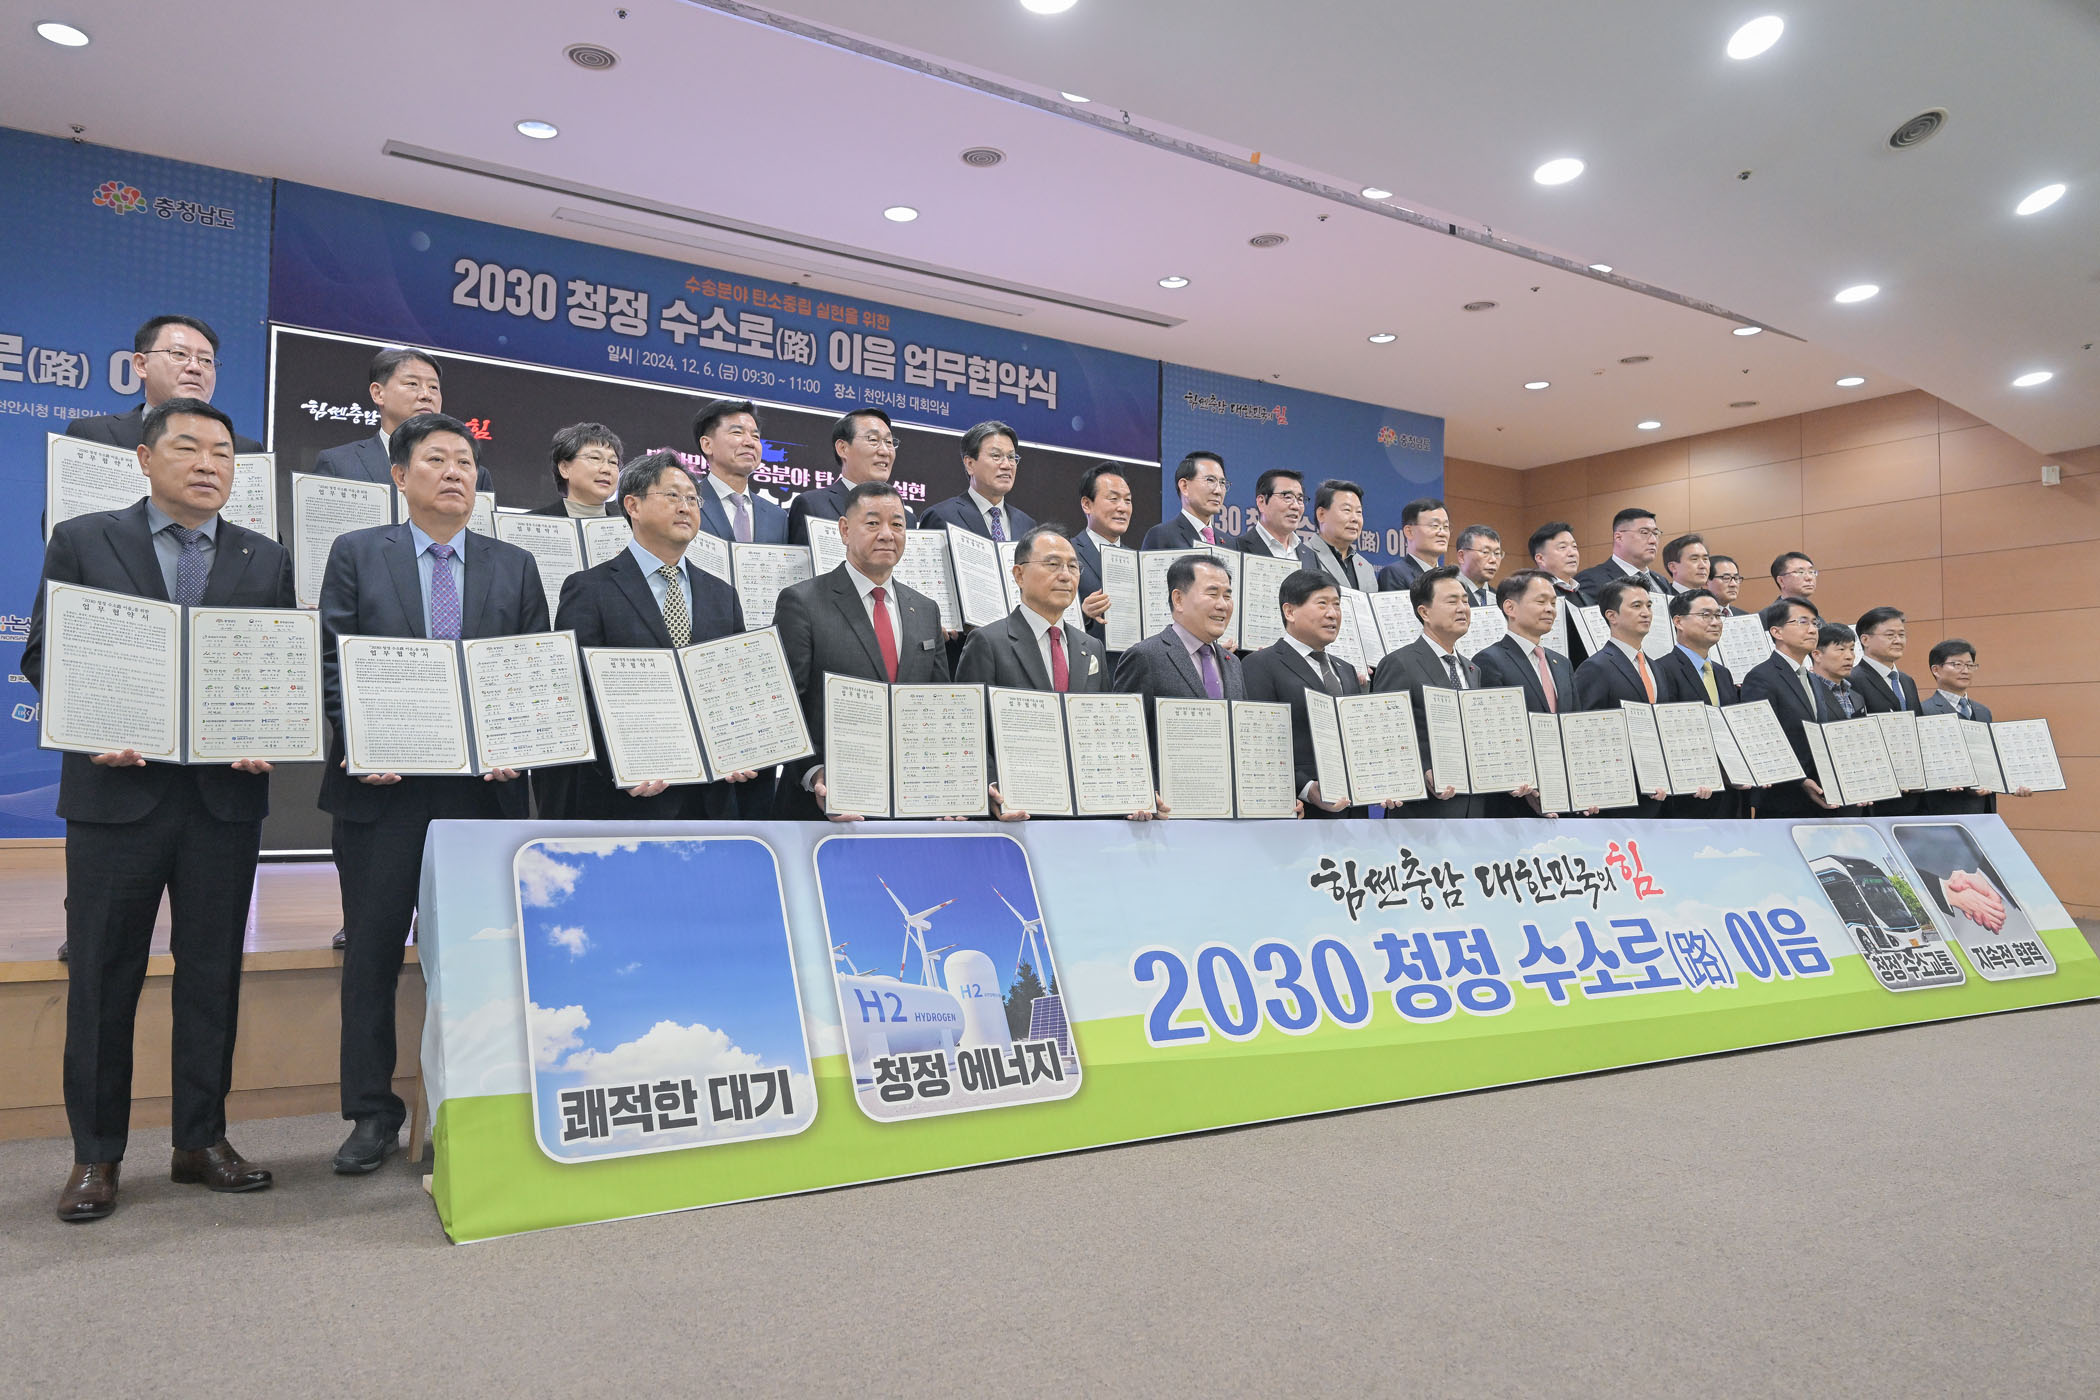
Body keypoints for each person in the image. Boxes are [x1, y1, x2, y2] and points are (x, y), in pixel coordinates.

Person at [26, 398, 292, 1222]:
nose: (209, 464)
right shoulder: (84, 538)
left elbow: (277, 666)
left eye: (223, 452)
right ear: (144, 459)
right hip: (116, 794)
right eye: (188, 448)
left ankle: (200, 1141)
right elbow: (44, 652)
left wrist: (269, 726)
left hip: (223, 799)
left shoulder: (264, 556)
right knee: (104, 977)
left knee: (212, 975)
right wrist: (91, 721)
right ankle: (96, 1155)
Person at [318, 412, 549, 1174]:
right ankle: (371, 1114)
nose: (455, 473)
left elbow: (531, 670)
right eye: (437, 460)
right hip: (382, 795)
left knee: (483, 960)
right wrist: (362, 741)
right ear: (399, 475)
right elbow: (332, 660)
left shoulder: (514, 565)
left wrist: (517, 742)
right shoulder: (357, 553)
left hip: (484, 799)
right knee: (373, 957)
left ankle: (477, 1108)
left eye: (465, 463)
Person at [552, 450, 756, 819]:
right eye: (673, 495)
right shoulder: (590, 588)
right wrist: (620, 767)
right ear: (633, 505)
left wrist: (742, 747)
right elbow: (574, 692)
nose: (685, 507)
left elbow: (736, 685)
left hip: (711, 800)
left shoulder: (722, 594)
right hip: (625, 798)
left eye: (692, 499)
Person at [774, 482, 949, 820]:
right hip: (822, 807)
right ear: (844, 530)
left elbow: (938, 703)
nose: (887, 534)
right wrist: (815, 772)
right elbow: (786, 706)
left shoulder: (926, 610)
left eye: (897, 524)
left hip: (910, 806)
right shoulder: (802, 602)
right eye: (872, 523)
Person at [956, 528, 1114, 819]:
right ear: (1019, 575)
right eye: (1052, 564)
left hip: (1084, 808)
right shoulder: (988, 642)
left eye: (1073, 567)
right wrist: (990, 787)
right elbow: (968, 731)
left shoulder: (1091, 647)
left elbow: (1102, 731)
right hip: (1017, 806)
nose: (1065, 576)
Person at [1370, 566, 1534, 820]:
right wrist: (1424, 771)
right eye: (1452, 601)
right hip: (1423, 812)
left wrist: (1509, 771)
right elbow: (1384, 737)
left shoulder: (1472, 669)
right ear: (1424, 612)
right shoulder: (1399, 663)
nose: (1462, 608)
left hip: (1474, 810)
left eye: (1465, 601)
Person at [1241, 569, 1364, 819]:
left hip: (1354, 813)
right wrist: (1306, 789)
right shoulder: (1260, 664)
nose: (1333, 614)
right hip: (1300, 812)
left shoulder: (1347, 670)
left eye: (1337, 605)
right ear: (1290, 611)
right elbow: (1261, 745)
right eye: (1322, 604)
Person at [1113, 555, 1245, 765]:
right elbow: (1124, 739)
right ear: (1178, 599)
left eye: (1227, 596)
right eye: (1212, 594)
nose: (1222, 605)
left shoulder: (1233, 663)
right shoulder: (1145, 657)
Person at [1471, 569, 1579, 818]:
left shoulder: (1562, 664)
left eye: (1553, 603)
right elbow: (1493, 733)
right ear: (1510, 607)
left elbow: (1574, 725)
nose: (1550, 609)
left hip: (1562, 793)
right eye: (1541, 601)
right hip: (1514, 799)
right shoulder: (1489, 660)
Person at [67, 316, 263, 453]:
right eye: (179, 354)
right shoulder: (93, 434)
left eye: (206, 360)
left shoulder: (243, 451)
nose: (195, 367)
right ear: (141, 365)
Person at [312, 347, 493, 490]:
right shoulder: (338, 463)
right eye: (412, 384)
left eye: (433, 387)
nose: (426, 395)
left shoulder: (474, 475)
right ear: (378, 393)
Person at [1571, 579, 1678, 815]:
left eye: (1649, 606)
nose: (1646, 613)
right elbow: (1585, 733)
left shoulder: (1656, 668)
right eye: (1636, 606)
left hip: (1660, 791)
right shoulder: (1595, 667)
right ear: (1612, 616)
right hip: (1618, 797)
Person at [1737, 598, 1840, 818]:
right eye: (1803, 622)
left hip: (1822, 794)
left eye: (1815, 623)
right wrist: (1800, 780)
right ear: (1777, 632)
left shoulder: (1813, 679)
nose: (1812, 630)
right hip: (1783, 799)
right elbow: (1762, 738)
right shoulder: (1761, 676)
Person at [1653, 588, 1745, 819]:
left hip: (1730, 791)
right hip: (1688, 795)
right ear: (1678, 622)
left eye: (1718, 615)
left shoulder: (1723, 674)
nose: (1715, 622)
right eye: (1705, 615)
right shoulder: (1662, 669)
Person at [1919, 639, 2023, 814]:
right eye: (1957, 664)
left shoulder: (1983, 711)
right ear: (1936, 670)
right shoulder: (1923, 711)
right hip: (1944, 809)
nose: (1965, 670)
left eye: (1970, 665)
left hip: (1984, 808)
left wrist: (2014, 783)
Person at [787, 407, 913, 544]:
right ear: (842, 448)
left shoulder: (908, 519)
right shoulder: (813, 506)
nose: (885, 451)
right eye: (873, 440)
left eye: (889, 442)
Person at [1850, 606, 1925, 815]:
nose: (1898, 640)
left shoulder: (1907, 681)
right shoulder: (1852, 679)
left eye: (1902, 635)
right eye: (1890, 635)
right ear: (1865, 639)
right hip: (1877, 794)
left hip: (1913, 792)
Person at [920, 420, 1037, 541]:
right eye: (996, 456)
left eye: (1011, 457)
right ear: (970, 464)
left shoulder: (1027, 525)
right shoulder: (941, 516)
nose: (1007, 465)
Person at [691, 398, 788, 544]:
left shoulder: (777, 517)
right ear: (707, 445)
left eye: (755, 436)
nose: (750, 443)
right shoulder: (687, 503)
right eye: (737, 432)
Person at [1069, 463, 1132, 650]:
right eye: (1113, 499)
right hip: (1086, 660)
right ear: (1087, 504)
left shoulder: (1138, 560)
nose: (1122, 508)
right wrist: (1083, 614)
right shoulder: (1068, 552)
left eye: (1128, 500)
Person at [1528, 520, 1591, 665]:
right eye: (1562, 547)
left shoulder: (1586, 596)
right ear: (1540, 558)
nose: (1572, 553)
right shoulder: (1530, 595)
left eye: (1574, 547)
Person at [530, 422, 625, 518]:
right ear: (564, 468)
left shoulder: (627, 526)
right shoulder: (531, 521)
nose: (607, 469)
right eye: (595, 458)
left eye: (613, 462)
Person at [1303, 479, 1381, 593]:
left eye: (1359, 512)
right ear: (1321, 514)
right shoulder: (1302, 556)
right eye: (1347, 510)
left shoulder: (1366, 567)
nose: (1355, 519)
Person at [1233, 468, 1321, 568]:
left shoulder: (1310, 557)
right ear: (1261, 502)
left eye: (1300, 499)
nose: (1296, 506)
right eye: (1287, 497)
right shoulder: (1237, 548)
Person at [1573, 507, 1665, 601]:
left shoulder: (1662, 581)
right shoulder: (1592, 580)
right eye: (1644, 533)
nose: (1653, 540)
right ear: (1619, 538)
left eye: (1655, 533)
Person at [1141, 451, 1228, 549]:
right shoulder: (1161, 536)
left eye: (1222, 483)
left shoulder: (1230, 543)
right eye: (1210, 480)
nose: (1218, 490)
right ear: (1184, 486)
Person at [1374, 497, 1449, 592]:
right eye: (1434, 526)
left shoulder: (1450, 579)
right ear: (1409, 532)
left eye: (1446, 527)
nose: (1442, 533)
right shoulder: (1395, 574)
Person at [1451, 525, 1502, 606]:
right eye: (1485, 552)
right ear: (1462, 556)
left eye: (1497, 553)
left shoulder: (1499, 599)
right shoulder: (1446, 591)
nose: (1493, 560)